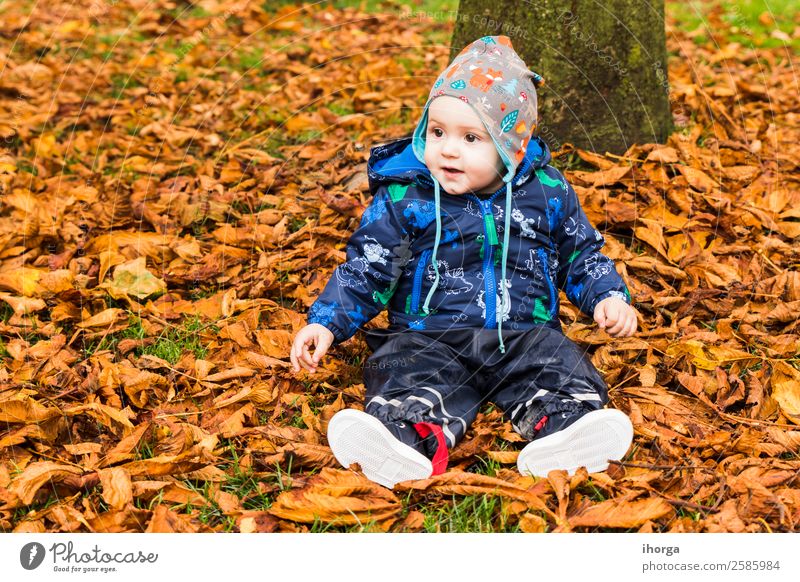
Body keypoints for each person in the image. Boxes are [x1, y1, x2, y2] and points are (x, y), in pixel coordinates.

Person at [289, 36, 637, 489]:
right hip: (430, 334)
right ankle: (405, 435)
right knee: (405, 369)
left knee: (559, 363)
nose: (448, 150)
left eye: (471, 138)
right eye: (437, 132)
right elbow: (368, 265)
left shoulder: (546, 191)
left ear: (510, 146)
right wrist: (326, 322)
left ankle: (564, 429)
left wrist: (607, 297)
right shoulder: (406, 196)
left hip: (524, 333)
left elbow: (580, 253)